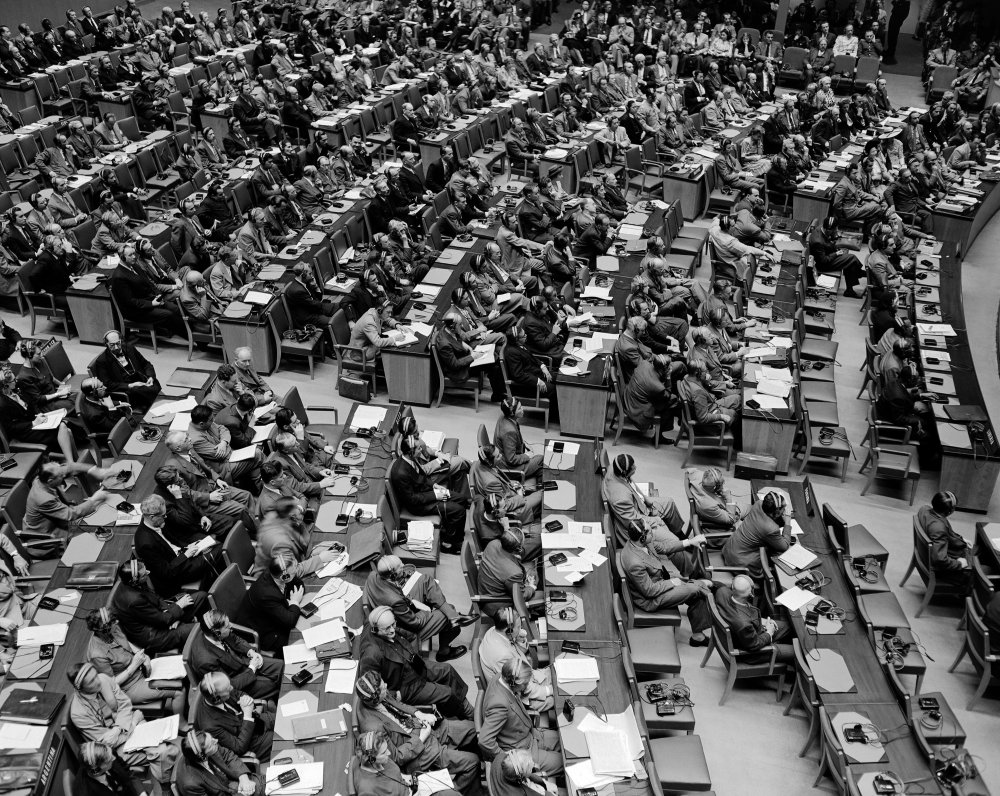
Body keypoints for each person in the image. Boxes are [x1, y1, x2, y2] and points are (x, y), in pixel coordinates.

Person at [354, 672, 481, 796]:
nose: (386, 686)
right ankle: (455, 790)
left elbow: (398, 705)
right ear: (375, 698)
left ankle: (472, 772)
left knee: (473, 729)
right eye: (383, 688)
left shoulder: (376, 694)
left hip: (420, 726)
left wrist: (419, 714)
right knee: (473, 762)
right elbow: (397, 757)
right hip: (419, 750)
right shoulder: (373, 728)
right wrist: (421, 738)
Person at [67, 663, 177, 784]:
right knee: (164, 751)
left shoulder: (103, 679)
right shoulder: (78, 713)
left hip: (125, 726)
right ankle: (166, 786)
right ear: (80, 688)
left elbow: (125, 705)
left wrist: (119, 728)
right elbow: (107, 742)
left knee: (164, 748)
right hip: (113, 749)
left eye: (95, 676)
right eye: (91, 682)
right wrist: (134, 723)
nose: (98, 681)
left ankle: (167, 783)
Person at [359, 606, 473, 720]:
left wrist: (414, 653)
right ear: (375, 629)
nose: (392, 630)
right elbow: (371, 685)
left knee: (447, 670)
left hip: (414, 665)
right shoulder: (372, 654)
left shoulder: (384, 626)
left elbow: (409, 636)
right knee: (447, 693)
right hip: (406, 686)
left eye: (393, 624)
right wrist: (396, 695)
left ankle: (462, 705)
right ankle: (467, 713)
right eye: (387, 628)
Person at [363, 554, 474, 657]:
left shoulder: (373, 575)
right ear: (393, 574)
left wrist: (411, 600)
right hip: (403, 629)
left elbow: (394, 594)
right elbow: (415, 623)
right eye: (400, 566)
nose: (403, 565)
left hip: (399, 608)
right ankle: (444, 651)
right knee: (448, 612)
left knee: (425, 580)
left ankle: (453, 616)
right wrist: (426, 610)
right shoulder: (395, 601)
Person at [621, 520, 713, 645]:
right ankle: (707, 588)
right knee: (697, 589)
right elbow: (649, 591)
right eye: (650, 531)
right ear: (642, 537)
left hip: (659, 582)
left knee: (696, 591)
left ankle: (698, 636)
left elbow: (665, 547)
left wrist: (690, 542)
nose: (653, 532)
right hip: (651, 599)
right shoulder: (634, 563)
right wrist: (673, 583)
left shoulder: (639, 542)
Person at [85, 607, 182, 712]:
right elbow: (110, 684)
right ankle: (182, 725)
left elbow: (126, 643)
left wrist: (141, 655)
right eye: (113, 622)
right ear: (104, 630)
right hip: (129, 686)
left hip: (140, 668)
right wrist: (134, 666)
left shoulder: (113, 628)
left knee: (180, 675)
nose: (117, 622)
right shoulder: (97, 655)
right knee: (179, 691)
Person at [391, 435, 471, 555]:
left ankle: (451, 530)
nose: (421, 450)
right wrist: (436, 496)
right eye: (418, 449)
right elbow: (412, 499)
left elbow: (422, 476)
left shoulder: (411, 459)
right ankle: (449, 544)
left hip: (426, 493)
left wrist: (434, 486)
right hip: (419, 505)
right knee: (459, 511)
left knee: (462, 499)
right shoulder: (401, 472)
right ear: (411, 452)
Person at [479, 659, 561, 775]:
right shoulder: (499, 705)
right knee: (563, 762)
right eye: (525, 684)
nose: (526, 687)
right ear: (514, 683)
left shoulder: (501, 676)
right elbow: (484, 740)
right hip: (521, 750)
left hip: (529, 735)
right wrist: (509, 759)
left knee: (565, 742)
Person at [134, 494, 224, 595]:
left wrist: (186, 547)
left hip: (182, 556)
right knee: (220, 550)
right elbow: (167, 572)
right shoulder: (145, 543)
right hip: (177, 572)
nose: (166, 516)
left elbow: (173, 541)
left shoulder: (155, 522)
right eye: (163, 515)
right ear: (152, 517)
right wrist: (185, 555)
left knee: (215, 545)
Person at [112, 559, 205, 654]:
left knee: (201, 596)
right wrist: (178, 607)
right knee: (201, 628)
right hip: (154, 635)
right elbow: (162, 620)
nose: (148, 573)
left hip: (160, 617)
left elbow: (156, 597)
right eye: (144, 574)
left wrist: (171, 614)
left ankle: (191, 621)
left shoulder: (133, 581)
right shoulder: (134, 600)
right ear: (134, 581)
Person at [602, 453, 689, 553]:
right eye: (633, 467)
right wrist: (655, 519)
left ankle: (678, 532)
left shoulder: (615, 468)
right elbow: (633, 522)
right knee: (674, 542)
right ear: (625, 472)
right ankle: (680, 543)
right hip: (639, 527)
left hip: (638, 504)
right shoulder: (621, 499)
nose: (636, 467)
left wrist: (645, 498)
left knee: (669, 503)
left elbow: (630, 483)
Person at [187, 611, 282, 700]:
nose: (231, 626)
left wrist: (250, 652)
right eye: (227, 626)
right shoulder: (205, 661)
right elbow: (227, 686)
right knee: (275, 684)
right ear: (217, 633)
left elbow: (235, 640)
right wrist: (252, 668)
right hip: (236, 681)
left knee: (281, 666)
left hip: (243, 661)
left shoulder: (215, 633)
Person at [479, 607, 552, 711]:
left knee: (555, 672)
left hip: (526, 675)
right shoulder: (502, 656)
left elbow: (518, 652)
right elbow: (521, 687)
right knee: (556, 698)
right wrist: (548, 690)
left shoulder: (494, 630)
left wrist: (517, 637)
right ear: (508, 630)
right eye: (518, 626)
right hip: (518, 695)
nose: (521, 628)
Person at [351, 730, 463, 796]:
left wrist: (410, 779)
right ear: (371, 759)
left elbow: (397, 775)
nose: (389, 753)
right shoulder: (367, 789)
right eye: (384, 753)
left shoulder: (381, 760)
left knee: (453, 793)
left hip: (413, 788)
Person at [193, 671, 275, 760]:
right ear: (217, 699)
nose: (232, 688)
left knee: (284, 720)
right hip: (251, 742)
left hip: (255, 720)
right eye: (228, 690)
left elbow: (238, 693)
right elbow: (239, 747)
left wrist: (246, 699)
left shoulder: (221, 688)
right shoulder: (210, 726)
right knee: (283, 737)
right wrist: (247, 715)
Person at [22, 461, 114, 538]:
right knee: (92, 537)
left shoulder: (41, 479)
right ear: (50, 481)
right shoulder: (44, 499)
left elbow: (69, 467)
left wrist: (94, 470)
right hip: (48, 533)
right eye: (61, 475)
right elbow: (70, 514)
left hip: (59, 520)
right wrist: (94, 499)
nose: (64, 475)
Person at [715, 574, 794, 664]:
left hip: (750, 633)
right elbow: (754, 645)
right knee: (796, 651)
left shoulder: (722, 592)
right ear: (751, 593)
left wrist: (762, 621)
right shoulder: (744, 625)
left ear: (732, 586)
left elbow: (717, 585)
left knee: (789, 626)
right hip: (751, 653)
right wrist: (769, 633)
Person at [721, 490, 791, 581]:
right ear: (777, 511)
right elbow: (784, 546)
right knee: (775, 561)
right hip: (739, 563)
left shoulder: (758, 504)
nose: (784, 510)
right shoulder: (771, 528)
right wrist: (788, 522)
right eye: (783, 508)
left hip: (729, 549)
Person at [244, 555, 306, 651]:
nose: (296, 572)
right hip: (267, 633)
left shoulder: (276, 573)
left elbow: (299, 584)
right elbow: (290, 621)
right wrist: (294, 601)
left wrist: (292, 604)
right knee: (303, 641)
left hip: (275, 615)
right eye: (294, 572)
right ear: (284, 577)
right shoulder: (266, 595)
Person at [174, 730, 263, 796]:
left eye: (211, 737)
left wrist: (244, 778)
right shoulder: (191, 784)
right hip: (227, 792)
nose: (216, 740)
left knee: (271, 784)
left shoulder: (208, 744)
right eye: (211, 744)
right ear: (202, 756)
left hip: (236, 780)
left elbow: (228, 756)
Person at [916, 491, 972, 591]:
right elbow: (939, 559)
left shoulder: (924, 509)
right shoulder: (939, 529)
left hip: (937, 551)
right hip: (947, 565)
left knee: (978, 552)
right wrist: (959, 564)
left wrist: (960, 538)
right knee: (982, 570)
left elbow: (946, 532)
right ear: (950, 511)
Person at [91, 330, 161, 411]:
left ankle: (157, 403)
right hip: (126, 387)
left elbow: (146, 364)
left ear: (121, 340)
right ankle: (158, 403)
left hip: (140, 378)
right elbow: (108, 384)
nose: (116, 347)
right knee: (145, 391)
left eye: (118, 343)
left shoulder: (130, 348)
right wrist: (130, 385)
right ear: (106, 344)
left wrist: (150, 377)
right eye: (112, 345)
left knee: (153, 382)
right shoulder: (102, 361)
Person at [478, 527, 538, 618]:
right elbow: (520, 597)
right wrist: (531, 587)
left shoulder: (493, 543)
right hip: (496, 605)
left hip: (486, 590)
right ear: (519, 548)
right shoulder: (514, 573)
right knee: (544, 596)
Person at [808, 217, 864, 298]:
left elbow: (828, 241)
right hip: (823, 265)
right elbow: (823, 260)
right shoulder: (818, 242)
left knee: (850, 263)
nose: (836, 230)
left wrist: (833, 238)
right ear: (829, 230)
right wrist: (836, 254)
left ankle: (850, 290)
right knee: (852, 258)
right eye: (835, 229)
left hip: (828, 252)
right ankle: (860, 273)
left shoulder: (822, 227)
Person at [493, 397, 543, 479]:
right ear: (512, 413)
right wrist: (527, 456)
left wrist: (522, 444)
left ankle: (539, 483)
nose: (523, 409)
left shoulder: (504, 415)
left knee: (540, 469)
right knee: (541, 459)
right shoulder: (509, 431)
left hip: (505, 458)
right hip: (508, 468)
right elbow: (511, 459)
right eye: (519, 408)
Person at [77, 741, 143, 796]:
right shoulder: (88, 791)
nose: (114, 758)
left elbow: (129, 774)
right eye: (110, 759)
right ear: (97, 768)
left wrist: (141, 793)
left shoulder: (109, 753)